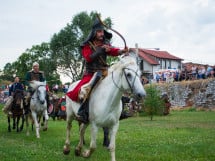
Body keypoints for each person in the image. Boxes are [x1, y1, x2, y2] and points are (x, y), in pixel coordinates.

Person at [66, 18, 128, 123]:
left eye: (102, 31)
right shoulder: (87, 45)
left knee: (116, 86)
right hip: (91, 73)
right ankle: (83, 111)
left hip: (104, 72)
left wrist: (122, 51)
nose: (101, 34)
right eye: (99, 31)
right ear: (94, 33)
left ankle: (119, 112)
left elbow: (113, 51)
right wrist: (100, 50)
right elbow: (88, 58)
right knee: (85, 91)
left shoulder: (105, 43)